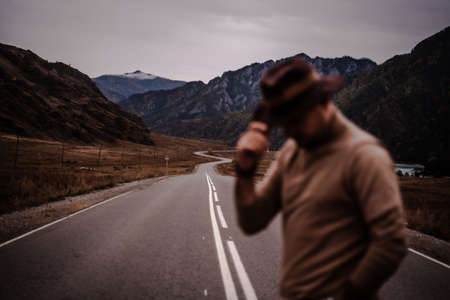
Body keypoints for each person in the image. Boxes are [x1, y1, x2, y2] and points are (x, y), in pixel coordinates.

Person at [234, 58, 407, 300]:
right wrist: (245, 169)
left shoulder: (364, 156)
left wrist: (349, 293)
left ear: (322, 102)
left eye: (296, 119)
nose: (290, 130)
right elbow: (252, 221)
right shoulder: (292, 153)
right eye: (284, 123)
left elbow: (391, 243)